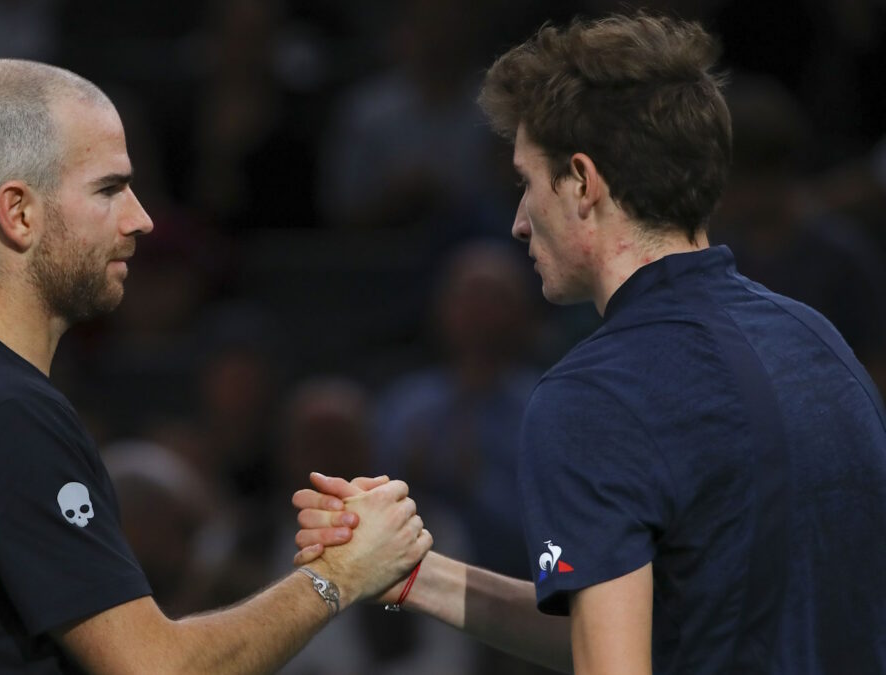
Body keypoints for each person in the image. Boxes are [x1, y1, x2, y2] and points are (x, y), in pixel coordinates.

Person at [292, 14, 886, 675]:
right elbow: (660, 634)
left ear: (581, 182)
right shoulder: (821, 343)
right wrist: (413, 576)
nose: (518, 221)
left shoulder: (592, 395)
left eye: (527, 180)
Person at [0, 58, 431, 674]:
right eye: (108, 189)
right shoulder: (7, 411)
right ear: (19, 214)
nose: (141, 219)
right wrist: (338, 576)